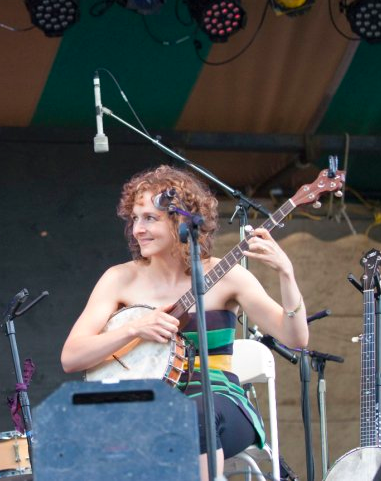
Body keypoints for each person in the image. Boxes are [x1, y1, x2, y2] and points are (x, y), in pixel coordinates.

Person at [60, 165, 308, 480]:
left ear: (180, 220)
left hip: (218, 402)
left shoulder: (227, 274)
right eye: (135, 218)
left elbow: (296, 337)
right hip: (145, 407)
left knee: (194, 415)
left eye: (149, 218)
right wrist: (134, 328)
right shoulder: (119, 279)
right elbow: (71, 356)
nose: (138, 229)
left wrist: (286, 274)